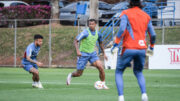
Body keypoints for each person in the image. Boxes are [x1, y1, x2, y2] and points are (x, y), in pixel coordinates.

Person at [111, 0, 156, 101]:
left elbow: (122, 29)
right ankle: (144, 94)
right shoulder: (146, 16)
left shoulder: (126, 13)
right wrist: (152, 46)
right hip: (142, 49)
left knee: (119, 72)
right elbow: (153, 34)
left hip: (129, 48)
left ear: (130, 3)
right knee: (139, 72)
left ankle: (121, 97)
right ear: (140, 3)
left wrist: (116, 43)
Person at [66, 19, 109, 89]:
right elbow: (75, 41)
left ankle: (103, 83)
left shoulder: (98, 34)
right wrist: (78, 51)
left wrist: (104, 53)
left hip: (92, 54)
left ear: (95, 25)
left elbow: (101, 43)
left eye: (92, 24)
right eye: (89, 24)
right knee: (79, 74)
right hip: (83, 54)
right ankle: (71, 75)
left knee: (101, 67)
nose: (91, 25)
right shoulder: (85, 33)